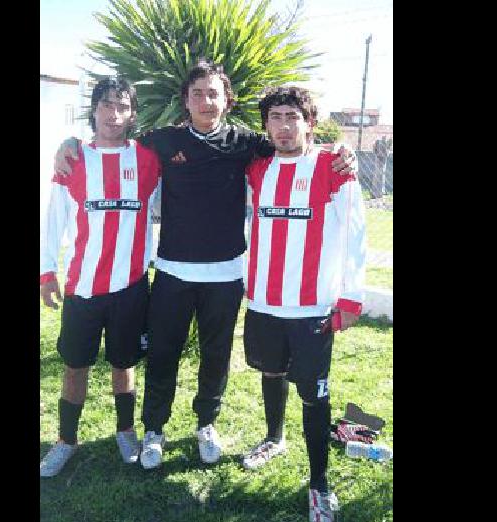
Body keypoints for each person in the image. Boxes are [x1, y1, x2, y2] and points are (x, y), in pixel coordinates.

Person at [53, 59, 355, 471]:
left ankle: (206, 424)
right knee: (163, 354)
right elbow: (111, 139)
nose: (206, 101)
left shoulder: (248, 144)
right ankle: (154, 428)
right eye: (197, 94)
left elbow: (299, 147)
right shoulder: (161, 141)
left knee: (216, 356)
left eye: (213, 93)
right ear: (186, 101)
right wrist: (68, 141)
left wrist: (343, 151)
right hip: (173, 272)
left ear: (226, 101)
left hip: (226, 274)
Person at [240, 86, 366, 522]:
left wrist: (350, 298)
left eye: (292, 116)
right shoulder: (257, 167)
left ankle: (319, 484)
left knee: (313, 393)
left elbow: (354, 234)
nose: (284, 126)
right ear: (266, 125)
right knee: (270, 372)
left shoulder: (333, 166)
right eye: (275, 117)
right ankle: (274, 438)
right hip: (263, 301)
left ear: (310, 122)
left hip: (312, 307)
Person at [39, 77, 160, 477]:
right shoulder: (74, 160)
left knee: (124, 362)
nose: (113, 113)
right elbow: (54, 219)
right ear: (94, 110)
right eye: (106, 105)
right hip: (83, 286)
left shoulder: (148, 159)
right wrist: (46, 271)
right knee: (76, 364)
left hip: (129, 286)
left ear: (132, 114)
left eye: (122, 106)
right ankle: (66, 441)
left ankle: (126, 432)